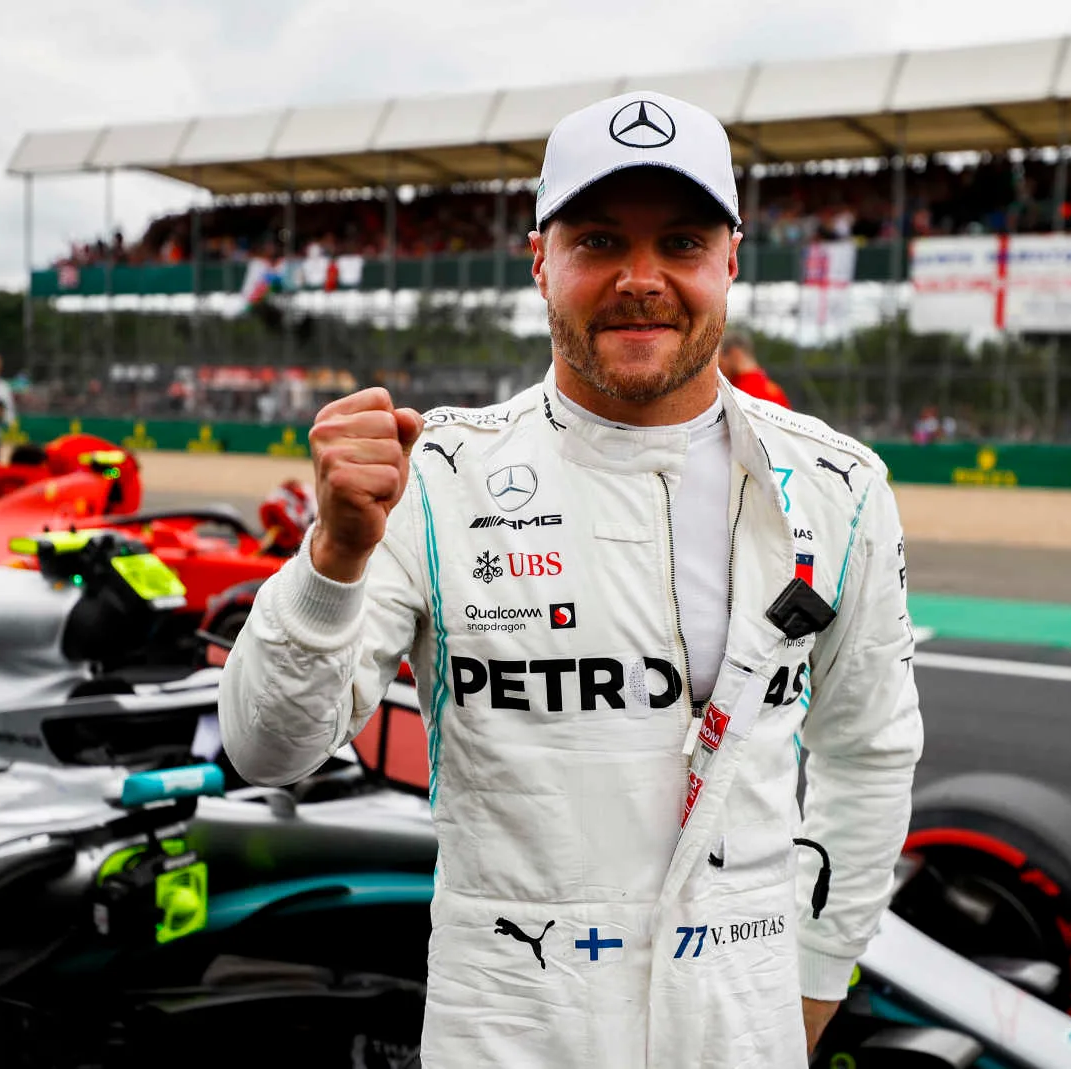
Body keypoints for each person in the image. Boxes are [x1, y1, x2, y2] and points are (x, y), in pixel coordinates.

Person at [220, 90, 922, 1068]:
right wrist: (331, 560)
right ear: (539, 261)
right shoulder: (438, 475)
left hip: (739, 1027)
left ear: (730, 259)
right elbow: (267, 749)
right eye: (598, 241)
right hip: (508, 1033)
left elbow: (869, 754)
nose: (641, 279)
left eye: (680, 243)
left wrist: (814, 976)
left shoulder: (839, 485)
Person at [717, 327, 791, 407]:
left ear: (735, 353)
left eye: (718, 358)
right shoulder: (777, 392)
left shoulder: (733, 392)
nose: (717, 366)